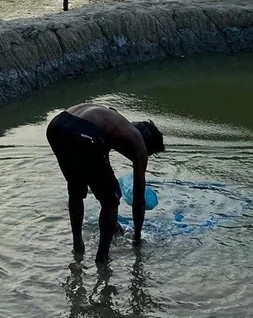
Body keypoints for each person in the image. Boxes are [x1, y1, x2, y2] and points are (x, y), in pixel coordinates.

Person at [46, 103, 165, 264]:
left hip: (57, 126)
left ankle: (78, 245)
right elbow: (138, 198)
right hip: (82, 133)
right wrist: (137, 238)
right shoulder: (138, 142)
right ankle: (102, 258)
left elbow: (100, 159)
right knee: (111, 200)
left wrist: (113, 222)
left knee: (76, 189)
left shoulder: (114, 120)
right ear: (148, 145)